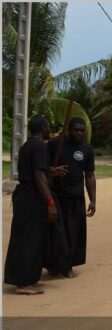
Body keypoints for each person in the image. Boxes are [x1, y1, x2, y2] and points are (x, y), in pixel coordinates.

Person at [4, 114, 59, 294]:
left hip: (25, 195)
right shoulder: (39, 146)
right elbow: (38, 176)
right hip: (32, 197)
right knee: (29, 238)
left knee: (32, 238)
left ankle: (29, 278)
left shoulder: (28, 145)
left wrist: (51, 170)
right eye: (48, 126)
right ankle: (23, 282)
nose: (50, 129)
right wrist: (50, 201)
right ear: (43, 128)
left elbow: (37, 169)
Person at [47, 117, 96, 278]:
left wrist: (93, 199)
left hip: (76, 198)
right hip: (57, 197)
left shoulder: (87, 149)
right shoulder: (55, 144)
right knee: (56, 234)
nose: (79, 133)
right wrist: (52, 169)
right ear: (69, 129)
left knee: (73, 234)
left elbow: (89, 176)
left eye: (82, 130)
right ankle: (54, 266)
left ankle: (67, 266)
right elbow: (42, 167)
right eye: (76, 130)